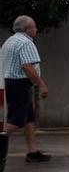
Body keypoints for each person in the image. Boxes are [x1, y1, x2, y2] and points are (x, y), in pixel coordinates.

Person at [1, 15, 51, 162]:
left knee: (29, 118)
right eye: (34, 27)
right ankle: (1, 136)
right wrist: (41, 84)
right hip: (20, 84)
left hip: (11, 82)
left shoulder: (10, 41)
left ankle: (32, 151)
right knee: (17, 120)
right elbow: (27, 66)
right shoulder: (26, 43)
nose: (36, 29)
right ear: (27, 29)